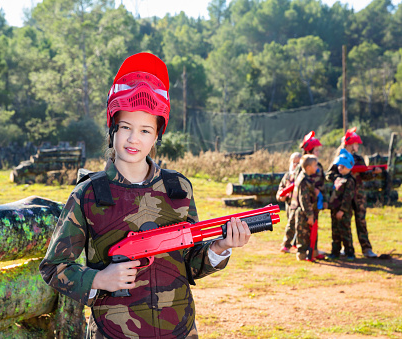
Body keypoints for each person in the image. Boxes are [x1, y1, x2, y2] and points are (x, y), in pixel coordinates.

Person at [38, 52, 251, 339]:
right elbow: (53, 267)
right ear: (113, 129)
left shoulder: (178, 189)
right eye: (125, 127)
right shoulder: (88, 194)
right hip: (111, 332)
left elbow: (190, 265)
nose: (134, 138)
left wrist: (221, 247)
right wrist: (99, 278)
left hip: (178, 330)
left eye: (145, 130)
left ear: (156, 136)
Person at [325, 127, 381, 258]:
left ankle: (366, 249)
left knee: (361, 221)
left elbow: (365, 175)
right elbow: (329, 174)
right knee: (345, 223)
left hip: (358, 195)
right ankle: (347, 248)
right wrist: (341, 178)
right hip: (344, 197)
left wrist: (373, 173)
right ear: (350, 144)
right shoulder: (340, 158)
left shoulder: (358, 159)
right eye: (356, 143)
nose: (357, 146)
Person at [328, 149, 357, 261]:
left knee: (345, 231)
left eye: (342, 167)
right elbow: (328, 175)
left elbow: (347, 197)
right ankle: (335, 252)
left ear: (349, 167)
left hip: (343, 211)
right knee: (335, 232)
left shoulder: (350, 180)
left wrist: (342, 210)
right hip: (334, 209)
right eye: (339, 166)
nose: (340, 168)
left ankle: (350, 252)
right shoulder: (337, 178)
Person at [290, 154, 319, 261]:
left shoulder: (306, 178)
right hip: (303, 212)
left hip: (306, 211)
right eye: (315, 165)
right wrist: (310, 215)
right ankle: (301, 254)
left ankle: (310, 253)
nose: (317, 168)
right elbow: (304, 199)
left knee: (308, 233)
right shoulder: (303, 180)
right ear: (308, 168)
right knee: (302, 234)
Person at [277, 152, 301, 253]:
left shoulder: (301, 177)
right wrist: (280, 196)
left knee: (296, 225)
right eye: (293, 162)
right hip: (288, 204)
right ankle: (290, 243)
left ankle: (289, 244)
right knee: (290, 223)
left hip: (298, 204)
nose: (295, 165)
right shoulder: (287, 176)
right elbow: (281, 189)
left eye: (298, 163)